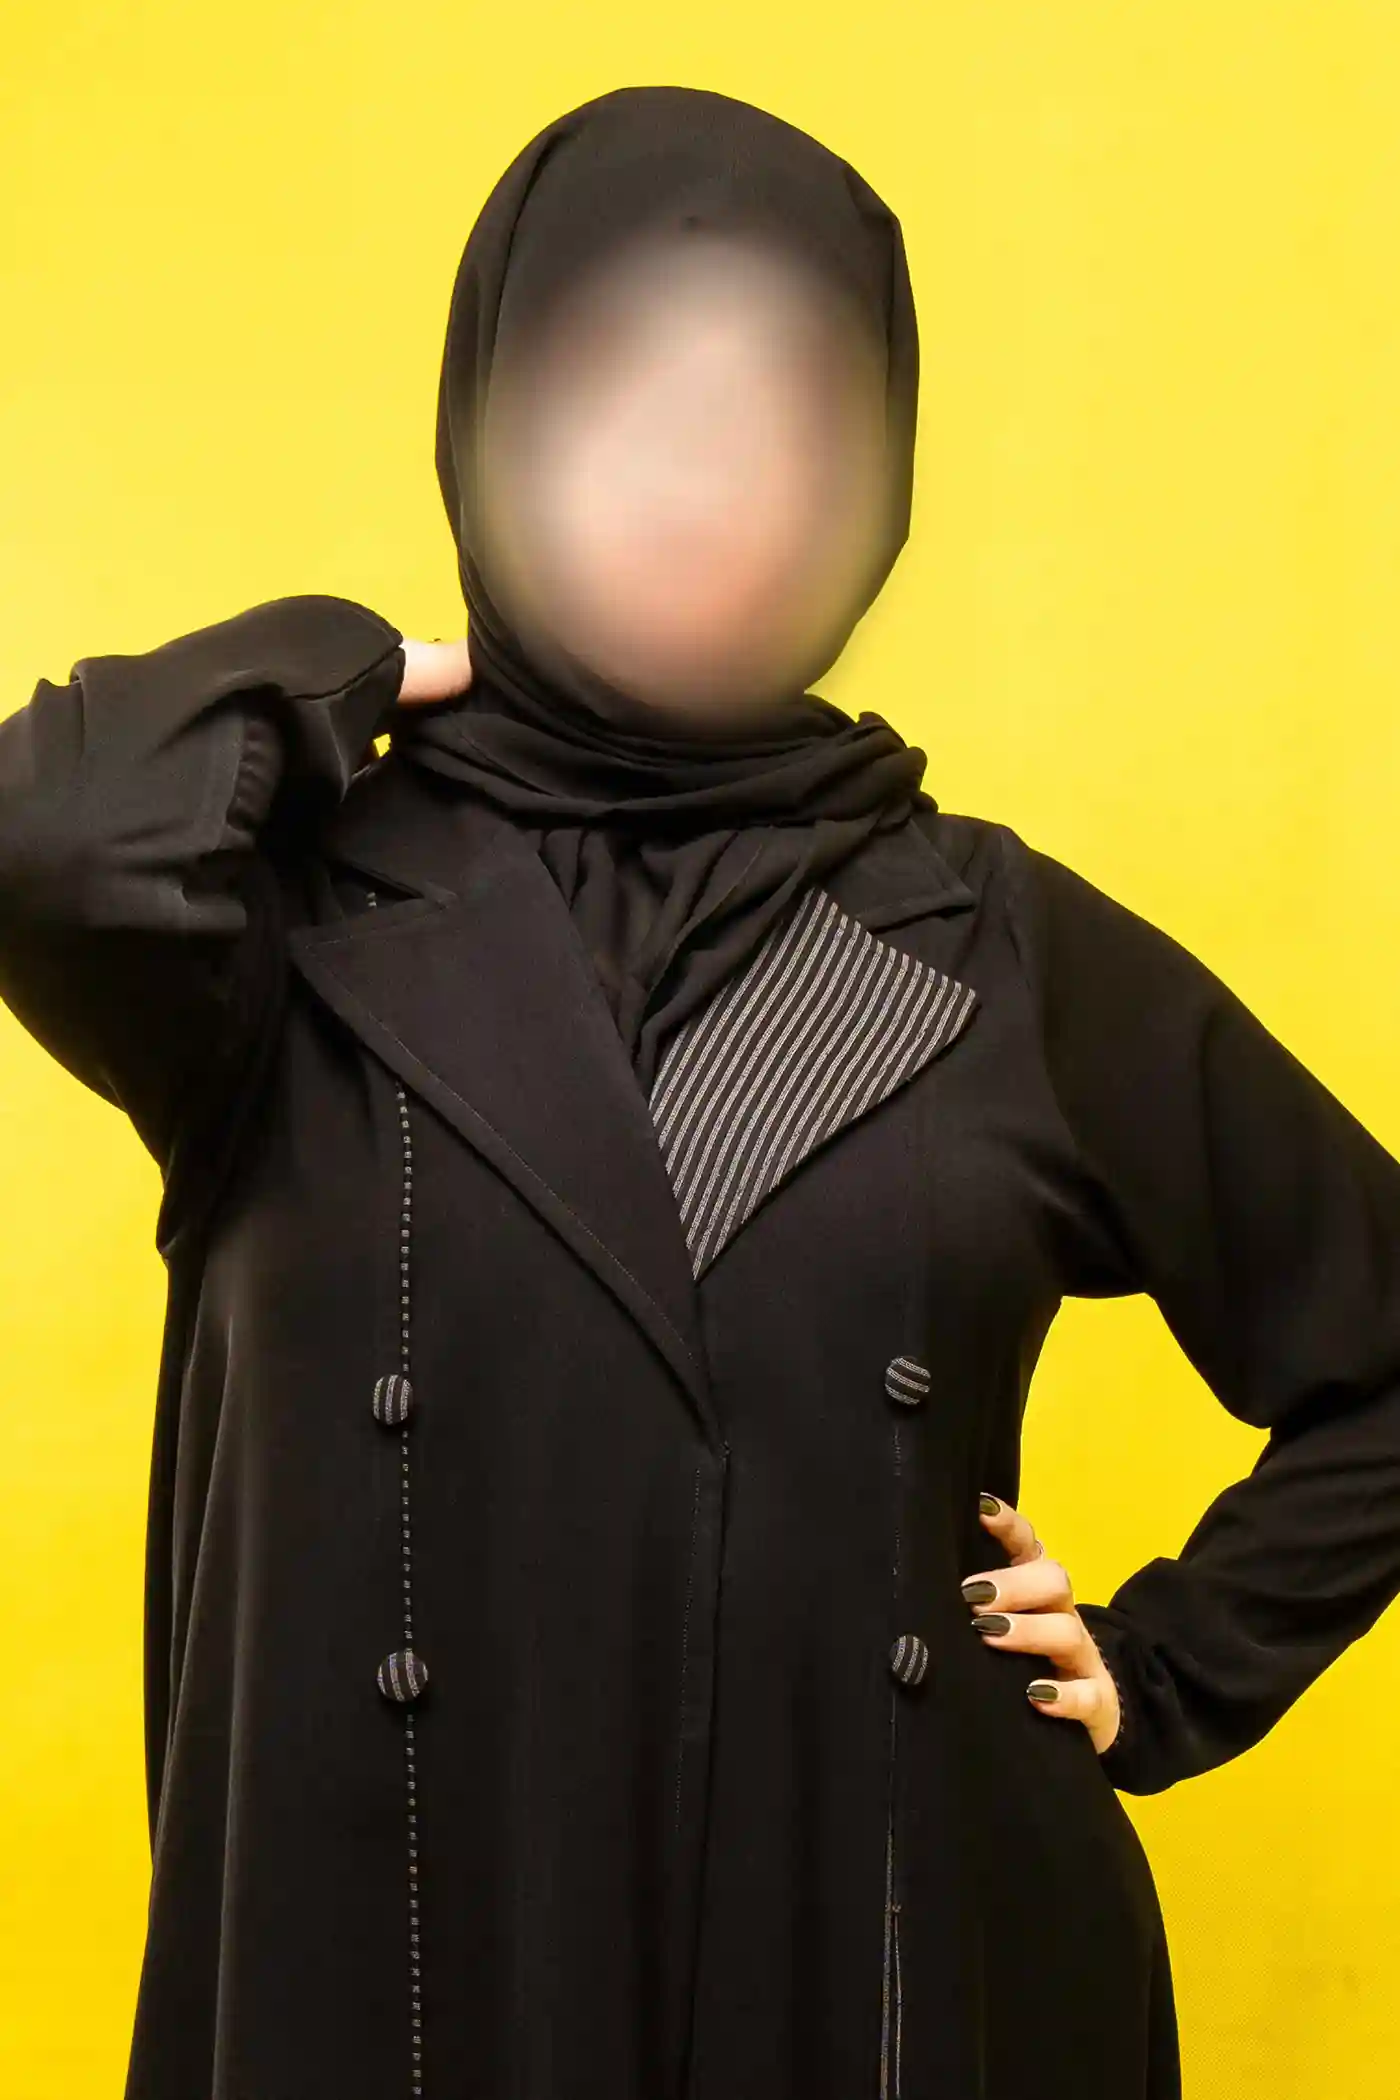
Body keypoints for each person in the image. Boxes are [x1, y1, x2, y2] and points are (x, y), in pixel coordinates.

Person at [2, 80, 1399, 2100]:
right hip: (401, 1981)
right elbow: (46, 844)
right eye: (619, 390)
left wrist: (1166, 1669)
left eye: (786, 412)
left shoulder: (989, 937)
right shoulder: (285, 918)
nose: (702, 475)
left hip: (881, 1969)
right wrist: (336, 672)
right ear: (489, 417)